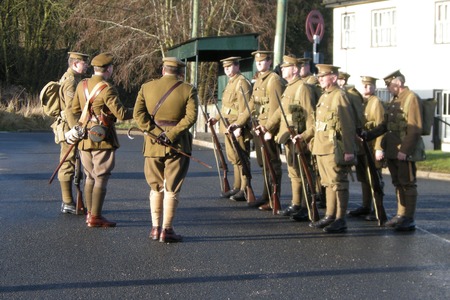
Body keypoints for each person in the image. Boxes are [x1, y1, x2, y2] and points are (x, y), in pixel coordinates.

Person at [133, 57, 198, 243]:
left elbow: (138, 115)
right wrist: (171, 134)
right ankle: (167, 230)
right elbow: (191, 117)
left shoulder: (146, 87)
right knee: (172, 187)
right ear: (181, 73)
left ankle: (155, 228)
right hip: (177, 144)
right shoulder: (188, 89)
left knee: (155, 186)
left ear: (163, 70)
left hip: (153, 144)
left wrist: (154, 132)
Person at [66, 52, 133, 227]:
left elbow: (73, 109)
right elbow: (122, 113)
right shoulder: (107, 88)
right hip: (102, 138)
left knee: (89, 176)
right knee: (101, 175)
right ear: (109, 69)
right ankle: (95, 216)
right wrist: (140, 109)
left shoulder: (82, 85)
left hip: (84, 137)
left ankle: (89, 213)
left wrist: (78, 128)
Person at [363, 70, 423, 231]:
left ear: (398, 84)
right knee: (398, 183)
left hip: (404, 151)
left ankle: (408, 218)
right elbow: (385, 126)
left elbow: (415, 128)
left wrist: (405, 150)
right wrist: (368, 135)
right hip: (392, 150)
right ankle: (400, 215)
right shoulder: (394, 101)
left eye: (389, 85)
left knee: (408, 184)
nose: (388, 88)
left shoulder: (411, 98)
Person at [259, 54, 315, 221]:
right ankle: (296, 203)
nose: (282, 69)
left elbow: (310, 116)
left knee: (303, 172)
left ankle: (306, 206)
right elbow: (279, 112)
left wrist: (306, 136)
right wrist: (267, 126)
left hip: (299, 137)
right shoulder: (290, 87)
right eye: (282, 67)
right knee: (293, 171)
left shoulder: (302, 88)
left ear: (295, 69)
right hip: (288, 137)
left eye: (286, 67)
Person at [301, 64, 356, 233]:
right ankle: (330, 215)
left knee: (339, 183)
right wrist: (306, 137)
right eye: (319, 76)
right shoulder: (325, 96)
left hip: (334, 147)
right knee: (327, 184)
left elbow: (347, 125)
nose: (320, 79)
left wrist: (348, 150)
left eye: (323, 76)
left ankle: (340, 218)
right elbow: (319, 124)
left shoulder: (339, 96)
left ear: (333, 77)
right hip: (322, 147)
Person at [208, 57, 253, 202]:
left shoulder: (242, 83)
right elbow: (226, 107)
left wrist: (239, 126)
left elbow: (245, 108)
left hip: (235, 126)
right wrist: (216, 118)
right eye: (225, 67)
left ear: (237, 66)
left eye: (229, 67)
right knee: (234, 158)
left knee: (242, 158)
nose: (227, 70)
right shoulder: (230, 83)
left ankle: (245, 188)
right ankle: (237, 186)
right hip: (228, 125)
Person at [248, 50, 285, 211]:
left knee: (272, 163)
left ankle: (273, 197)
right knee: (263, 163)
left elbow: (276, 108)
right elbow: (251, 104)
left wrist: (269, 129)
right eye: (257, 62)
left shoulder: (274, 80)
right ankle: (265, 195)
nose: (259, 64)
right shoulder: (258, 81)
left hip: (267, 129)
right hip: (258, 128)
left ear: (270, 62)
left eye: (262, 61)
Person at [348, 76, 386, 221]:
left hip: (371, 147)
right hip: (362, 147)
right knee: (364, 177)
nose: (367, 88)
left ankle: (377, 209)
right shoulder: (362, 102)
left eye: (370, 86)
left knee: (375, 179)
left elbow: (381, 127)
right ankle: (366, 205)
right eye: (365, 86)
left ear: (374, 87)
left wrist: (379, 148)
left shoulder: (376, 102)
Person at [56, 51, 89, 214]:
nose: (87, 65)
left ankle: (70, 201)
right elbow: (69, 109)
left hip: (71, 126)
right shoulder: (70, 81)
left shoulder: (75, 79)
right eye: (84, 63)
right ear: (75, 63)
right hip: (69, 128)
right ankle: (68, 201)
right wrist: (76, 129)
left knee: (74, 164)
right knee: (67, 162)